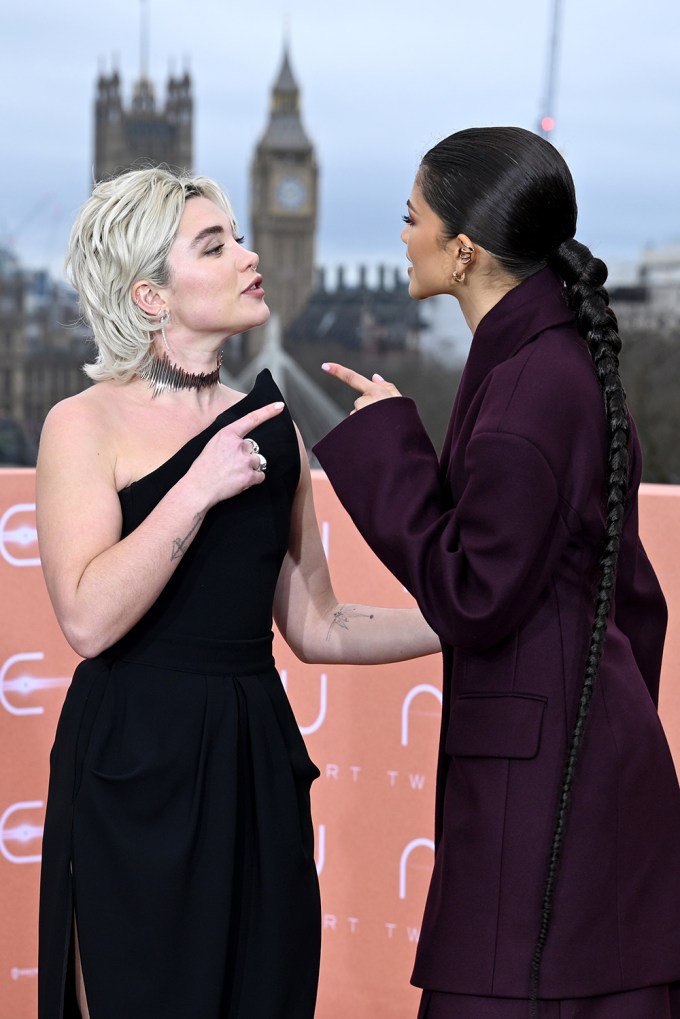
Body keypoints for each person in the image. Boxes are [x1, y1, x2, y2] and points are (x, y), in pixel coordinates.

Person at [35, 166, 440, 1019]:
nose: (249, 256)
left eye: (241, 236)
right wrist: (196, 485)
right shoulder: (84, 422)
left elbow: (319, 623)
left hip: (254, 766)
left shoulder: (275, 422)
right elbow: (87, 618)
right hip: (131, 766)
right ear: (151, 295)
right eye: (215, 244)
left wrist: (463, 618)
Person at [314, 127, 680, 1018]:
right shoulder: (552, 363)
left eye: (413, 219)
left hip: (543, 812)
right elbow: (637, 602)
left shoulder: (524, 391)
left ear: (464, 247)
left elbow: (474, 593)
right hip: (591, 777)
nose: (402, 238)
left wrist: (390, 439)